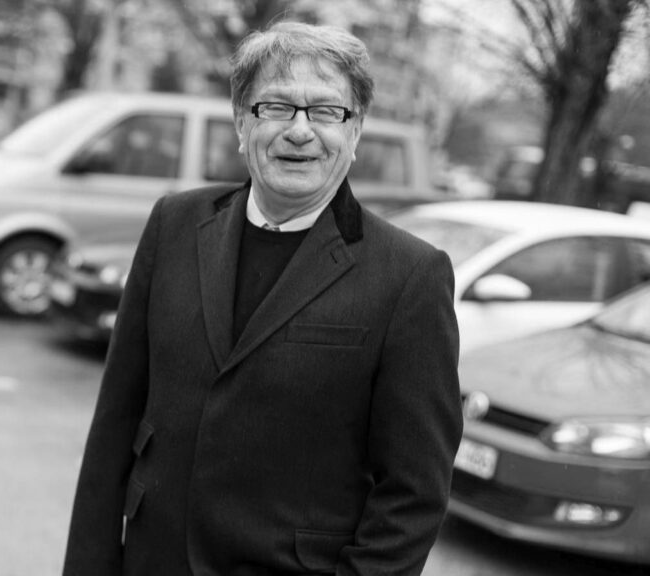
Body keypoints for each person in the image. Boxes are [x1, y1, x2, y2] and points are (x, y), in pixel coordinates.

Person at [62, 21, 462, 576]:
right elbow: (115, 424)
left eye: (326, 111)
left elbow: (414, 494)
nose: (300, 131)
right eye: (276, 106)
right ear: (240, 121)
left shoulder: (410, 276)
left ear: (355, 130)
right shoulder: (174, 225)